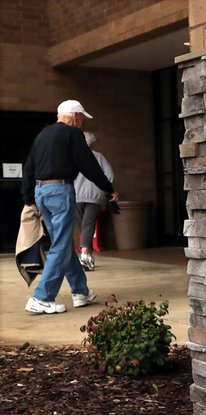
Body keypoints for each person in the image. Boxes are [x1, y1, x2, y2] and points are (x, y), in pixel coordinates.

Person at [20, 99, 119, 314]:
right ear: (75, 116)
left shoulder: (42, 135)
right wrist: (108, 188)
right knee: (61, 245)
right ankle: (41, 297)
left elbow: (29, 167)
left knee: (62, 243)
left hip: (41, 192)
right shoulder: (73, 134)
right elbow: (88, 165)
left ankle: (80, 291)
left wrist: (28, 198)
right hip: (60, 191)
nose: (82, 122)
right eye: (82, 118)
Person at [74, 131, 115, 271]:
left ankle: (85, 254)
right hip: (94, 196)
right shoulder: (99, 156)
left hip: (76, 196)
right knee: (88, 226)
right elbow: (109, 175)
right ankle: (87, 254)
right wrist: (104, 190)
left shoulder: (74, 157)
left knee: (83, 226)